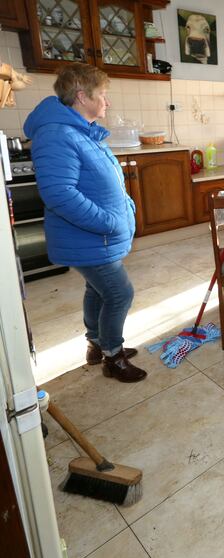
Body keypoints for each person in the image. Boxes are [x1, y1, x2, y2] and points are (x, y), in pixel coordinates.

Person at [23, 63, 146, 383]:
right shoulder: (58, 134)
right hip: (91, 235)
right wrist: (107, 221)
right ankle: (113, 356)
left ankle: (97, 344)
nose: (107, 101)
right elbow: (58, 194)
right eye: (102, 95)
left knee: (97, 290)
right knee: (119, 294)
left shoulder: (80, 128)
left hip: (94, 237)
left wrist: (123, 207)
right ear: (81, 96)